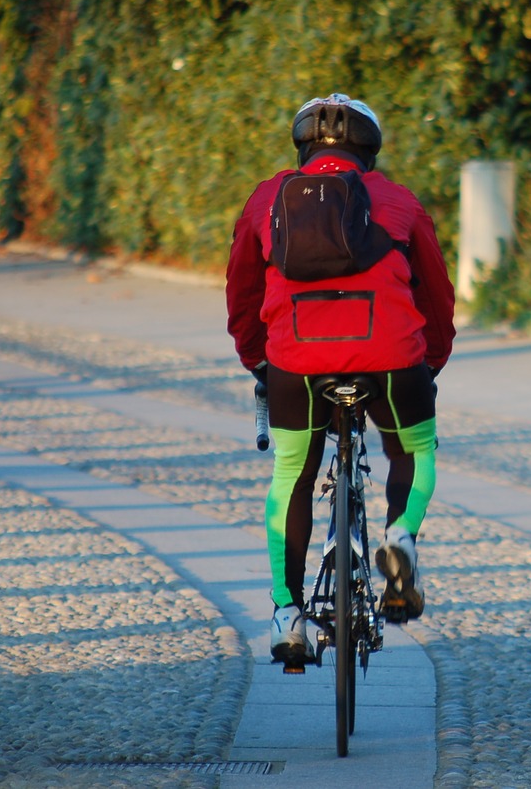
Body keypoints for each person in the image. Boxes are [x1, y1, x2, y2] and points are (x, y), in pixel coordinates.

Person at [225, 93, 456, 666]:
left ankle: (287, 613)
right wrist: (429, 362)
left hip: (296, 363)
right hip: (392, 358)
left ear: (302, 147)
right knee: (413, 449)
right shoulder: (400, 201)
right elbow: (437, 294)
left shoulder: (267, 199)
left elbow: (242, 291)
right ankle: (400, 537)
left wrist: (258, 359)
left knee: (292, 473)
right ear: (370, 152)